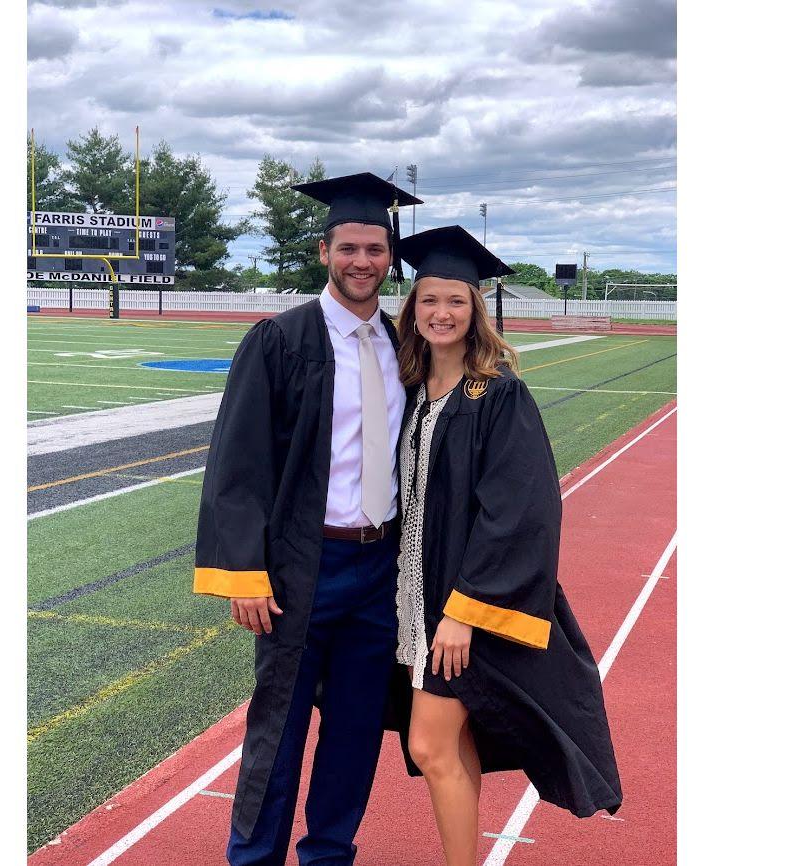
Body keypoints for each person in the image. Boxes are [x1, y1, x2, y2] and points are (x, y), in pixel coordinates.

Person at [193, 172, 422, 866]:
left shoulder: (403, 346)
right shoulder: (280, 340)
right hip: (302, 569)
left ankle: (328, 854)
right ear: (324, 252)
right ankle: (254, 858)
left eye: (375, 249)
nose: (362, 261)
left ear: (390, 257)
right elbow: (238, 463)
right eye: (348, 248)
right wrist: (244, 572)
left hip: (378, 569)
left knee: (356, 730)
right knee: (279, 728)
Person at [389, 225, 622, 865]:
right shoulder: (411, 390)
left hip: (461, 604)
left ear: (476, 309)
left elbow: (521, 510)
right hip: (414, 596)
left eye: (455, 301)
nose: (441, 313)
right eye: (429, 300)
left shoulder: (496, 393)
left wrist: (464, 611)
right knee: (447, 744)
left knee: (429, 745)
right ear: (412, 307)